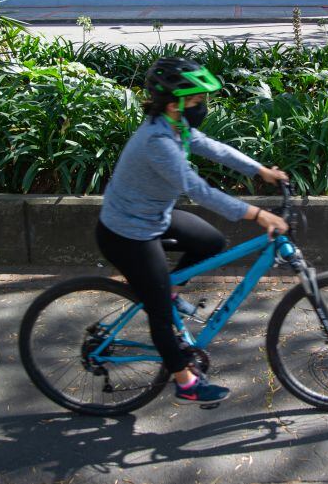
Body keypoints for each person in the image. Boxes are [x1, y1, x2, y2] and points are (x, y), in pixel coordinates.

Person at [96, 57, 290, 406]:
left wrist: (260, 170)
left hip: (154, 216)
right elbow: (198, 190)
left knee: (211, 242)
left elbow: (214, 148)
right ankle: (185, 382)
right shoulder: (157, 142)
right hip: (127, 233)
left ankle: (165, 290)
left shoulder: (175, 126)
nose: (203, 107)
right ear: (174, 104)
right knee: (159, 315)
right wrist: (257, 214)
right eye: (198, 101)